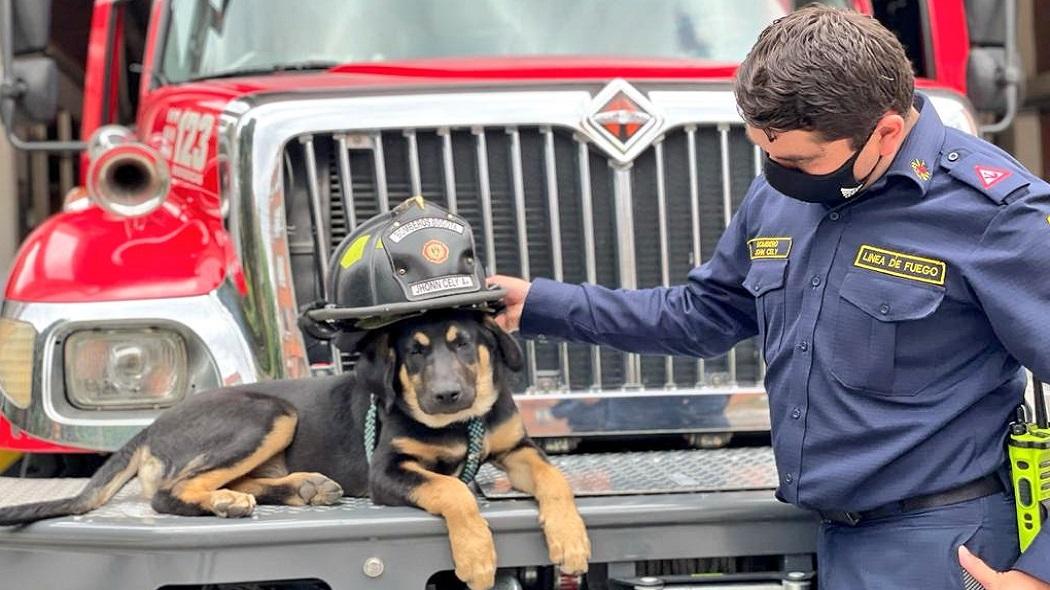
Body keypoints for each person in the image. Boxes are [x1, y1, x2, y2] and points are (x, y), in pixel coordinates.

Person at [488, 5, 1050, 589]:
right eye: (766, 152)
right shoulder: (780, 193)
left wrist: (1039, 574)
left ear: (885, 130)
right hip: (829, 542)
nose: (779, 172)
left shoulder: (994, 214)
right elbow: (700, 317)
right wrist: (537, 304)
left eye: (799, 160)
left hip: (946, 552)